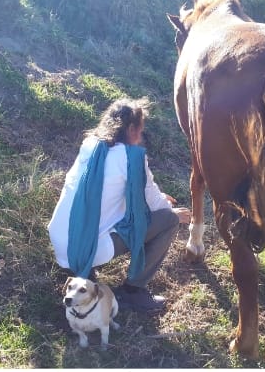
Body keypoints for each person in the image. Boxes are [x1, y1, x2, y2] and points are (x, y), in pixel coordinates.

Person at [48, 98, 190, 314]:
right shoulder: (131, 158)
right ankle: (134, 291)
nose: (141, 137)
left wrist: (158, 196)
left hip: (60, 241)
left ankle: (84, 272)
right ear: (132, 129)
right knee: (168, 221)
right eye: (140, 131)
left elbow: (109, 189)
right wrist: (171, 212)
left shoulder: (90, 145)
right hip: (86, 250)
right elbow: (150, 200)